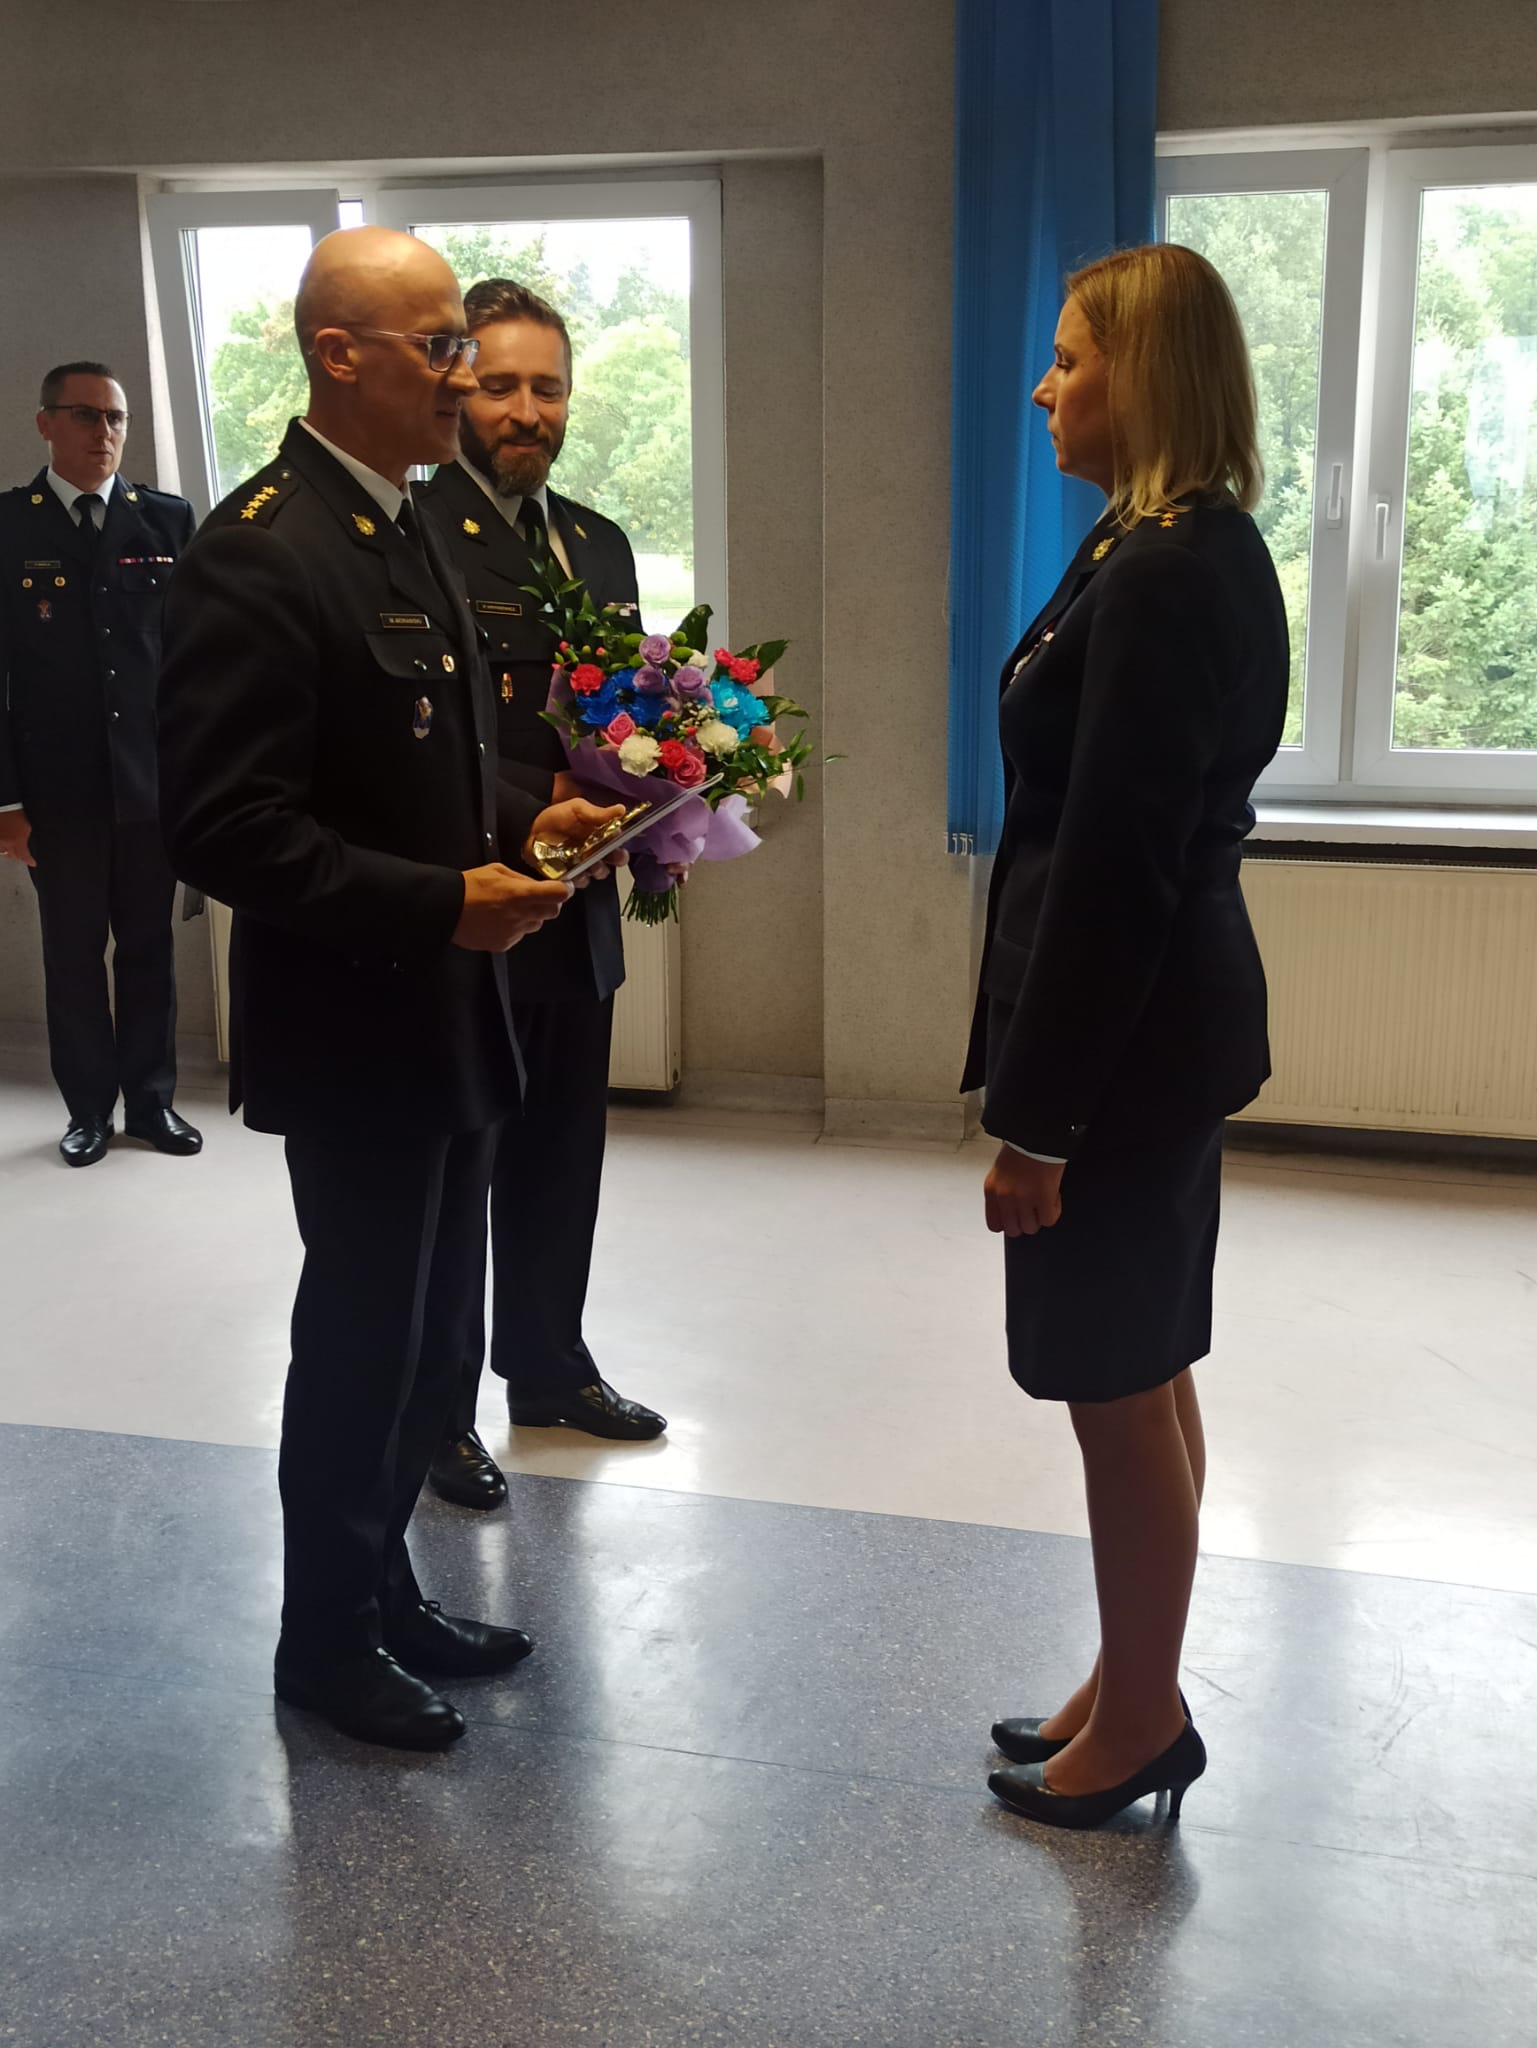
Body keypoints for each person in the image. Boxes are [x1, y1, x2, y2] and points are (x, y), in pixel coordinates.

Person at [158, 226, 625, 1752]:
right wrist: (445, 902)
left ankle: (390, 1594)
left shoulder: (403, 517)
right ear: (338, 354)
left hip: (446, 1008)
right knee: (360, 1338)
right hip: (356, 1020)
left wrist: (527, 818)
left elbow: (427, 762)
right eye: (438, 348)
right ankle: (325, 1640)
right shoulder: (261, 547)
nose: (462, 377)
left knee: (427, 1337)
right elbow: (225, 828)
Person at [965, 244, 1287, 1829]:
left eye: (1070, 358)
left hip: (1127, 1048)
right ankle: (1130, 1675)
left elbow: (1115, 869)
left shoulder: (1166, 569)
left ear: (1142, 377)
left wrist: (1040, 1124)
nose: (1044, 387)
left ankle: (1145, 1718)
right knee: (1145, 1367)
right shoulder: (1157, 540)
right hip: (1159, 1033)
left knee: (1114, 1380)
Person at [419, 277, 666, 1516]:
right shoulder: (417, 534)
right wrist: (542, 809)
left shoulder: (597, 540)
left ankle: (548, 1365)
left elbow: (624, 710)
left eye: (548, 387)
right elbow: (424, 740)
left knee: (565, 1147)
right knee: (462, 1166)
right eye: (502, 386)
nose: (527, 411)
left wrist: (665, 795)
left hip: (581, 903)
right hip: (473, 902)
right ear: (457, 389)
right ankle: (438, 1411)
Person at [0, 364, 201, 1166]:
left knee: (150, 950)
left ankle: (152, 1103)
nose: (105, 432)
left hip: (151, 786)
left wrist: (195, 780)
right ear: (45, 423)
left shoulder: (166, 520)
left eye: (116, 418)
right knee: (73, 958)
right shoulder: (9, 525)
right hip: (58, 795)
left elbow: (193, 662)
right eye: (86, 416)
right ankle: (88, 1110)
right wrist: (6, 804)